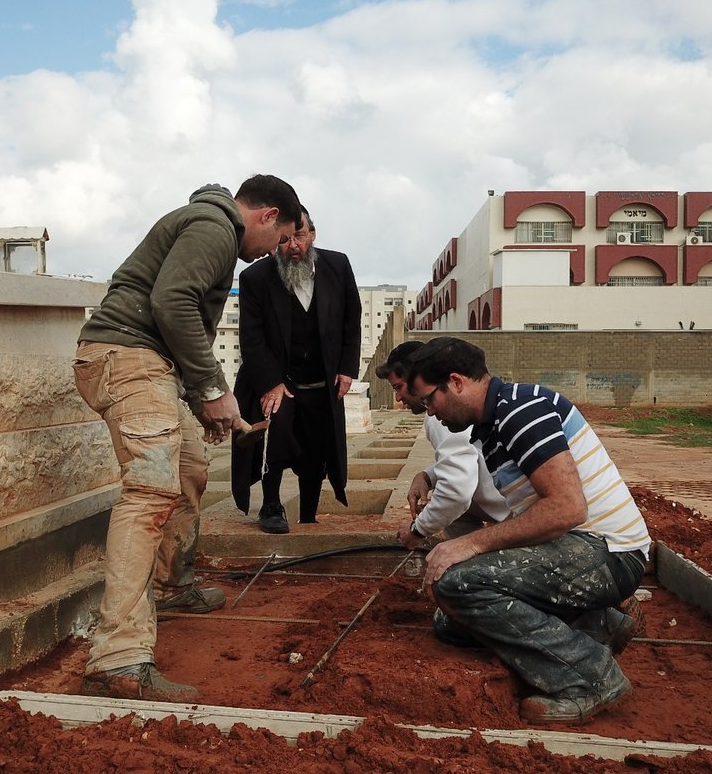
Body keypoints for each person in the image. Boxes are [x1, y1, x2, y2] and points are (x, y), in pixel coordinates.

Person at [72, 175, 303, 702]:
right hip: (128, 359)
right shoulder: (214, 225)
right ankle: (118, 659)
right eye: (281, 236)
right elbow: (171, 302)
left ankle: (173, 586)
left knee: (189, 468)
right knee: (150, 492)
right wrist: (213, 388)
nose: (277, 251)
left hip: (145, 363)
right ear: (266, 215)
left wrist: (203, 398)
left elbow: (173, 312)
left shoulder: (210, 224)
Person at [406, 336, 650, 724]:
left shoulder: (520, 411)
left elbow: (567, 508)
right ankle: (598, 624)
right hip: (579, 549)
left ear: (456, 382)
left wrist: (470, 544)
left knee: (458, 584)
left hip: (608, 553)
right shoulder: (494, 422)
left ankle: (591, 676)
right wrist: (431, 476)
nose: (430, 413)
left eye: (428, 400)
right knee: (450, 622)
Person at [231, 206, 361, 532]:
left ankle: (309, 512)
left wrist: (347, 368)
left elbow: (351, 320)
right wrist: (270, 383)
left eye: (300, 237)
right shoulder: (254, 279)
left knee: (318, 445)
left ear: (312, 235)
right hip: (278, 377)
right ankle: (271, 505)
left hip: (322, 378)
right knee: (276, 425)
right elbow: (251, 337)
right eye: (285, 239)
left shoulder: (338, 265)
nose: (293, 246)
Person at [374, 341, 510, 550]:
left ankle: (472, 561)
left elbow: (457, 489)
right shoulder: (502, 402)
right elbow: (468, 458)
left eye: (399, 387)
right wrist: (428, 476)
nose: (398, 397)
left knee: (450, 502)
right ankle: (471, 557)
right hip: (514, 507)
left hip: (528, 519)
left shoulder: (444, 412)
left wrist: (417, 530)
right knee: (449, 501)